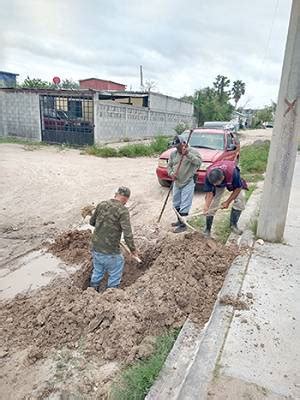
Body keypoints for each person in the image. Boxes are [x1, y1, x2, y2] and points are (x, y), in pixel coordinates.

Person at [89, 186, 138, 290]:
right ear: (126, 199)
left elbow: (92, 223)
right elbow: (128, 234)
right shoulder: (123, 211)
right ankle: (111, 293)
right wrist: (133, 250)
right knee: (117, 267)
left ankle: (93, 289)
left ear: (116, 195)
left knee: (98, 269)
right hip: (110, 251)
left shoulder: (102, 204)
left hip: (96, 247)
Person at [203, 160, 248, 236]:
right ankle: (207, 229)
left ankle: (233, 225)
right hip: (219, 179)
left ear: (223, 178)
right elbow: (209, 193)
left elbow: (238, 188)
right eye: (213, 184)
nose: (214, 185)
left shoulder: (233, 172)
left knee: (241, 199)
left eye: (216, 183)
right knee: (211, 205)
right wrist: (206, 206)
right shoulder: (209, 175)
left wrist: (227, 202)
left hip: (232, 180)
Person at [167, 134, 202, 233]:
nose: (177, 149)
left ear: (183, 144)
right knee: (176, 202)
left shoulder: (192, 152)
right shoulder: (173, 154)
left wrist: (187, 154)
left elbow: (199, 163)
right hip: (177, 182)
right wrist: (171, 174)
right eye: (175, 147)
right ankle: (179, 220)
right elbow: (169, 166)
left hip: (188, 181)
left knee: (185, 204)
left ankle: (183, 225)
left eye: (178, 146)